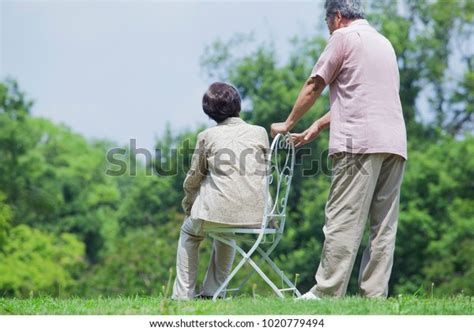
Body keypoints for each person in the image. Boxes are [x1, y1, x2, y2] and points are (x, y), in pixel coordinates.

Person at [271, 0, 407, 299]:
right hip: (394, 143)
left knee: (343, 217)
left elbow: (314, 84)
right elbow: (364, 95)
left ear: (338, 17)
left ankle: (327, 291)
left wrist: (289, 121)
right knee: (383, 225)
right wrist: (318, 126)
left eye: (327, 23)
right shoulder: (383, 43)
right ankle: (374, 295)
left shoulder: (343, 38)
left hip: (358, 142)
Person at [172, 82, 270, 300]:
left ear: (209, 112)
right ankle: (213, 292)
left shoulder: (207, 136)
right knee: (227, 233)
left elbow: (193, 178)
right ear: (238, 105)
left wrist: (188, 205)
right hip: (257, 217)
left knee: (189, 232)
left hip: (215, 214)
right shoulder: (260, 133)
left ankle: (182, 295)